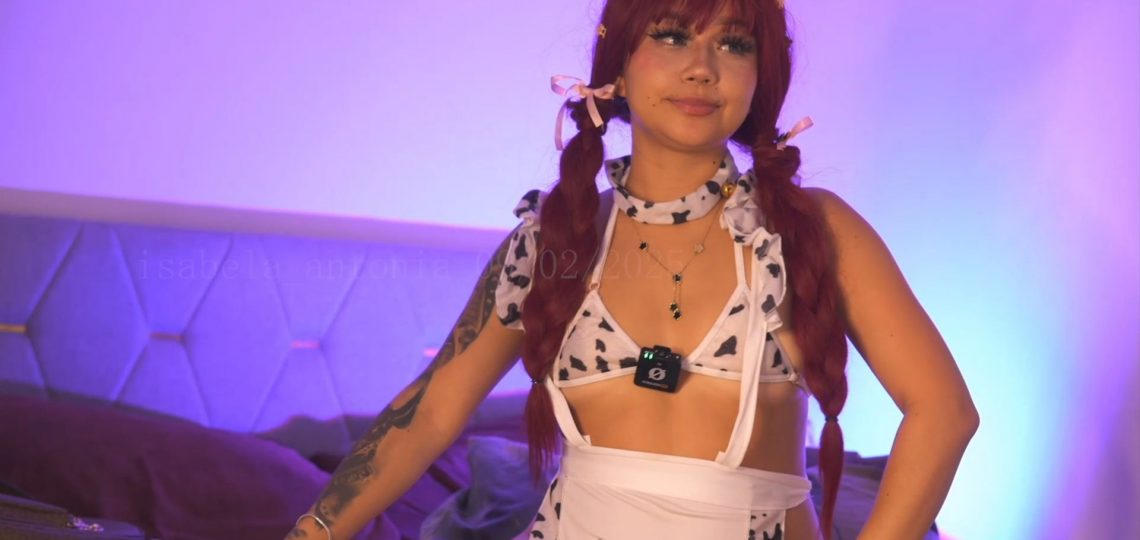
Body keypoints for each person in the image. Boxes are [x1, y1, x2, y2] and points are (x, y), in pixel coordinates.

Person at [288, 0, 979, 538]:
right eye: (672, 36)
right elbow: (431, 414)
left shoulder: (810, 230)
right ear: (617, 65)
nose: (701, 67)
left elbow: (944, 413)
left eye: (733, 44)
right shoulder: (553, 243)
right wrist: (313, 531)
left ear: (759, 76)